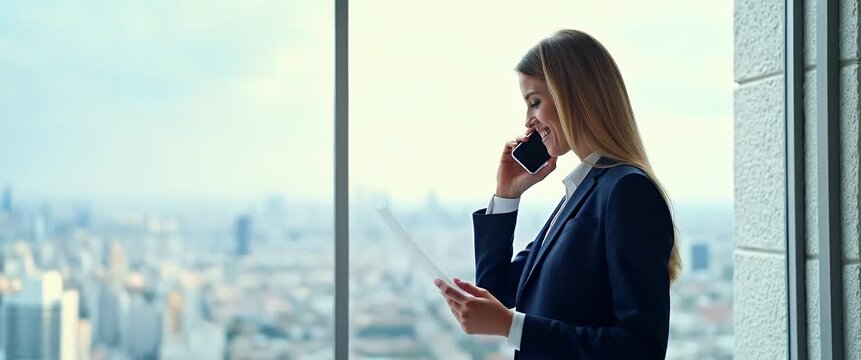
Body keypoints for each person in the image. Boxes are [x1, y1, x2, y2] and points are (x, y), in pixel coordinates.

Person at [434, 29, 681, 359]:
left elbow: (640, 348)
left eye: (534, 102)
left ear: (573, 96)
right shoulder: (578, 195)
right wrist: (507, 194)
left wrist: (512, 327)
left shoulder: (627, 191)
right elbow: (498, 291)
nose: (527, 121)